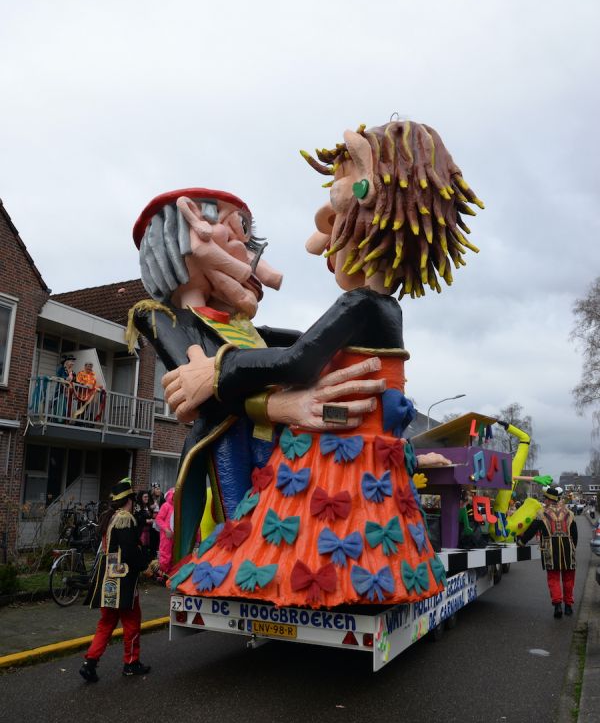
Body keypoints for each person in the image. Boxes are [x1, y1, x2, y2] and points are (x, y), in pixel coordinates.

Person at [164, 119, 483, 607]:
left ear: (368, 207)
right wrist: (253, 336)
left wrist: (220, 368)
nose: (323, 246)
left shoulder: (360, 304)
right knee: (353, 548)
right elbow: (306, 342)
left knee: (304, 548)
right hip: (369, 463)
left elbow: (299, 360)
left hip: (339, 463)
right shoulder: (383, 310)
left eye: (334, 224)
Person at [126, 188, 387, 563]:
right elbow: (204, 394)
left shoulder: (252, 332)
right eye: (230, 235)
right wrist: (277, 401)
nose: (247, 256)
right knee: (245, 531)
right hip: (230, 446)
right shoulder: (161, 317)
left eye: (246, 240)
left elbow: (304, 350)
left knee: (289, 521)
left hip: (280, 441)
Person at [79, 479, 152, 682]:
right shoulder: (124, 518)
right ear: (129, 500)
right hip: (124, 580)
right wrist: (145, 565)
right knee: (132, 621)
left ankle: (90, 663)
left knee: (106, 622)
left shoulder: (109, 517)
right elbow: (129, 552)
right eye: (133, 499)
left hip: (108, 579)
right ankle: (131, 663)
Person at [518, 485, 578, 618]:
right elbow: (575, 534)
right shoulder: (569, 513)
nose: (544, 501)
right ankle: (568, 606)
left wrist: (522, 541)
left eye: (545, 499)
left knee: (553, 578)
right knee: (569, 578)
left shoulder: (541, 514)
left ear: (549, 500)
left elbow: (532, 530)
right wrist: (573, 547)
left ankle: (557, 606)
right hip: (568, 548)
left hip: (551, 549)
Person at [54, 355, 76, 420]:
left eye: (73, 362)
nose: (72, 363)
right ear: (66, 362)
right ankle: (58, 420)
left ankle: (65, 420)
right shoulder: (61, 369)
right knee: (60, 405)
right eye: (71, 361)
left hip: (69, 392)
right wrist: (65, 379)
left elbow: (75, 381)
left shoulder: (73, 372)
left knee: (67, 407)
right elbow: (58, 377)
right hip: (61, 390)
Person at [134, 490, 155, 557]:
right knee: (143, 548)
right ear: (141, 498)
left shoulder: (148, 506)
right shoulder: (137, 506)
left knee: (149, 547)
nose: (147, 498)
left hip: (149, 531)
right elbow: (137, 518)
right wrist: (146, 521)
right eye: (145, 497)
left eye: (147, 497)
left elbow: (151, 516)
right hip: (141, 531)